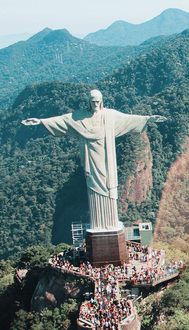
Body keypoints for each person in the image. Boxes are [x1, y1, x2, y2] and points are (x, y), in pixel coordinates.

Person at [21, 89, 167, 231]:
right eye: (93, 101)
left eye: (98, 101)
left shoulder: (110, 116)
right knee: (94, 189)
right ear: (89, 102)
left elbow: (129, 119)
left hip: (107, 161)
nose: (96, 104)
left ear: (101, 101)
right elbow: (63, 121)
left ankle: (110, 223)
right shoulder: (79, 117)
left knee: (109, 189)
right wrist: (41, 122)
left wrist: (149, 118)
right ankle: (98, 224)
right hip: (91, 161)